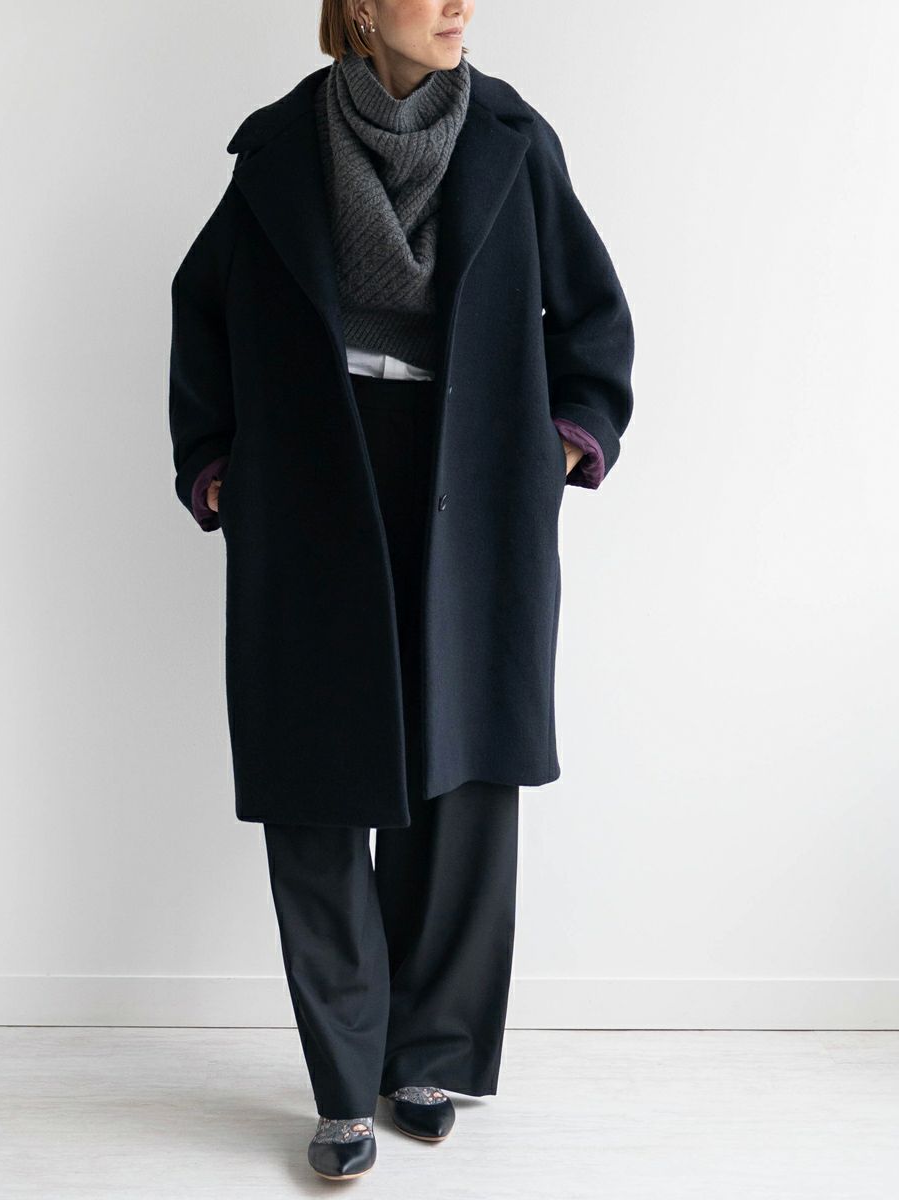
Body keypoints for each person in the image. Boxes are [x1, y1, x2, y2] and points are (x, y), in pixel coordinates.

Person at [168, 0, 634, 1181]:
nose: (458, 5)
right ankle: (342, 1086)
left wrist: (563, 442)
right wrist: (216, 461)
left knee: (459, 770)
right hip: (312, 482)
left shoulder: (514, 140)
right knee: (316, 782)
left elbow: (591, 315)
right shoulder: (280, 149)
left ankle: (424, 1053)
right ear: (364, 10)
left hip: (472, 481)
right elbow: (202, 306)